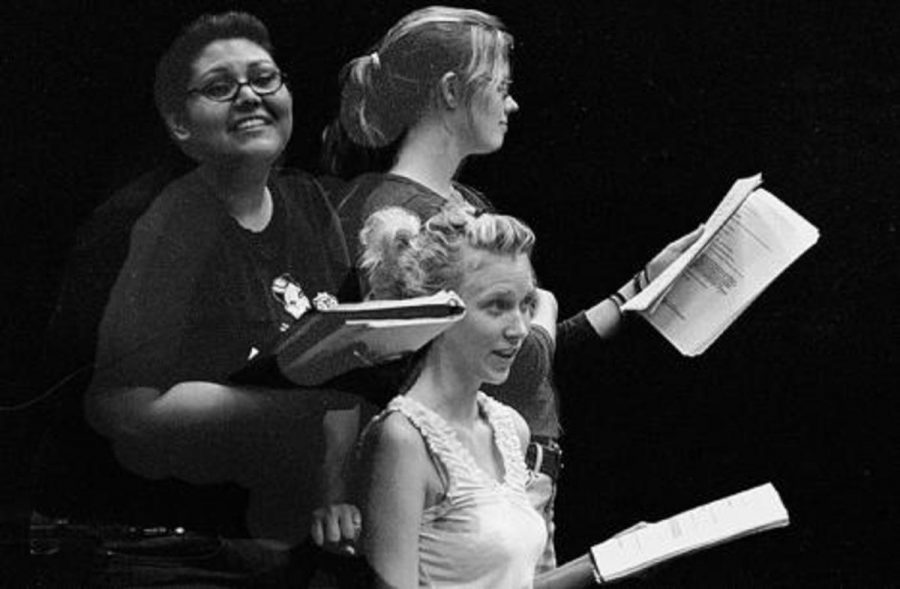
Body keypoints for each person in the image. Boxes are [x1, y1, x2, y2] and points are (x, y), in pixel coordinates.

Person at [321, 5, 702, 571]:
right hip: (457, 488)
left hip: (510, 465)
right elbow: (380, 374)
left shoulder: (470, 208)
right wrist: (542, 310)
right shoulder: (394, 213)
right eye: (500, 88)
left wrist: (638, 290)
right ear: (452, 90)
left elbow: (521, 350)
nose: (512, 103)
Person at [30, 12, 360, 586]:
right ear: (179, 122)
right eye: (219, 87)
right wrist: (296, 407)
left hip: (277, 544)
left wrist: (333, 496)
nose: (250, 97)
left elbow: (347, 373)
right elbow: (121, 409)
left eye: (265, 78)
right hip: (154, 550)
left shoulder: (308, 205)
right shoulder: (148, 222)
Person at [356, 205, 617, 588]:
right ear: (440, 309)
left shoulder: (511, 427)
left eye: (526, 305)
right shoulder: (403, 440)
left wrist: (600, 563)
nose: (520, 329)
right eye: (497, 306)